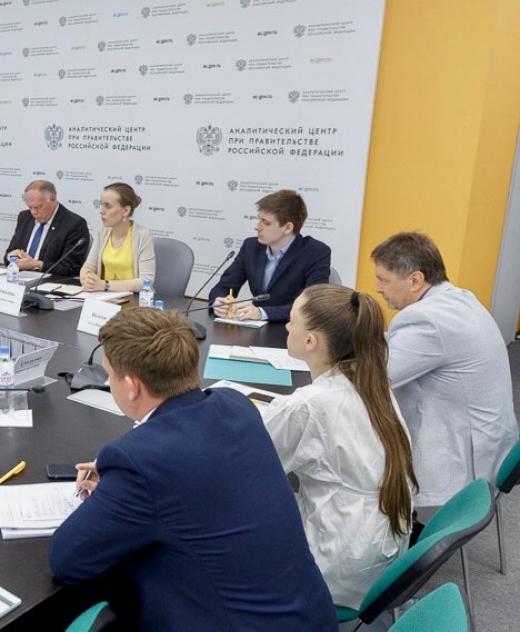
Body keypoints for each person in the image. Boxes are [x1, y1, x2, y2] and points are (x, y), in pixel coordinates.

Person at [49, 308, 336, 631]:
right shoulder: (234, 405)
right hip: (312, 618)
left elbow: (67, 561)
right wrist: (123, 490)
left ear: (131, 386)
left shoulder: (139, 461)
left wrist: (126, 487)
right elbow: (195, 478)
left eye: (109, 375)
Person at [261, 284, 417, 609]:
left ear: (310, 341)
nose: (286, 326)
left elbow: (249, 459)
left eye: (292, 321)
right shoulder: (373, 382)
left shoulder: (311, 404)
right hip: (380, 548)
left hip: (338, 564)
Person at [372, 232, 518, 507]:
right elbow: (397, 347)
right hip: (490, 443)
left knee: (357, 455)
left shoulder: (426, 318)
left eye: (384, 279)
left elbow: (375, 377)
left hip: (461, 458)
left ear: (415, 280)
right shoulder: (457, 299)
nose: (378, 288)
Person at [209, 189, 331, 322]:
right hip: (253, 327)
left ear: (288, 228)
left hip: (290, 328)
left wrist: (262, 313)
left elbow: (311, 307)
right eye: (259, 219)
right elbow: (223, 287)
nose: (257, 227)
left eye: (266, 222)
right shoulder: (251, 247)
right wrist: (219, 302)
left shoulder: (316, 252)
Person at [79, 182, 155, 293]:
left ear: (126, 211)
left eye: (108, 206)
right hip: (102, 297)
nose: (101, 211)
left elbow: (146, 281)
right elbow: (88, 267)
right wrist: (87, 278)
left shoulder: (142, 235)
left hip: (133, 300)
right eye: (101, 204)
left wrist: (105, 285)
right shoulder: (103, 231)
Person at [3, 180, 89, 276]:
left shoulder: (74, 224)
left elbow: (71, 268)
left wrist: (36, 265)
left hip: (49, 281)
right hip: (19, 278)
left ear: (53, 199)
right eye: (30, 207)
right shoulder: (24, 217)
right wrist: (11, 256)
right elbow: (7, 257)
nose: (33, 212)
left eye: (38, 207)